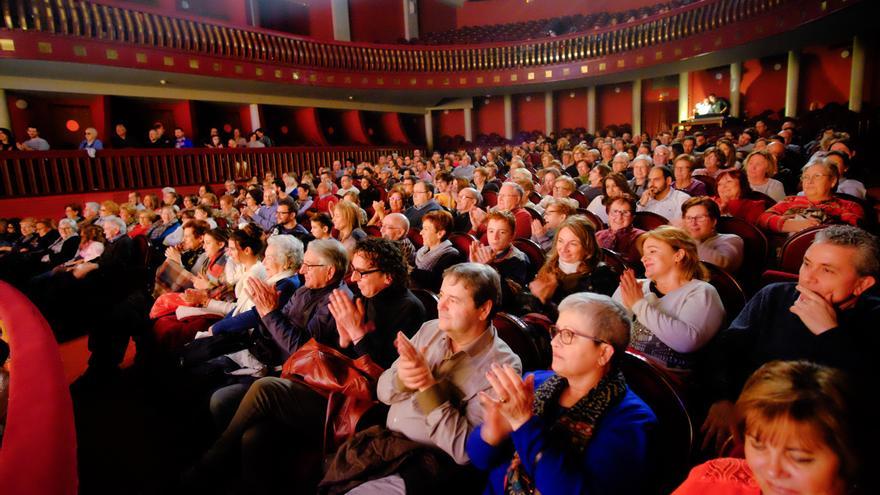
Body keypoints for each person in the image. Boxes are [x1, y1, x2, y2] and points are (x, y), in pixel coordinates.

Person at [320, 263, 522, 494]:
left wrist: (427, 387)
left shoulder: (502, 365)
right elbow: (383, 393)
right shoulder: (431, 330)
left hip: (427, 466)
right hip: (386, 445)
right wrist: (402, 380)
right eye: (442, 295)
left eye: (453, 300)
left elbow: (465, 451)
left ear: (484, 309)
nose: (441, 305)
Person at [700, 225, 880, 453]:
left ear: (862, 284)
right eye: (807, 263)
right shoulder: (775, 295)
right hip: (750, 419)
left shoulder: (873, 318)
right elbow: (723, 351)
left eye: (827, 270)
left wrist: (829, 333)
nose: (808, 278)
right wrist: (721, 399)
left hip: (822, 442)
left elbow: (866, 397)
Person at [468, 292, 657, 495]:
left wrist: (524, 424)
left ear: (603, 353)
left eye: (568, 335)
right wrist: (491, 434)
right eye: (556, 331)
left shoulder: (631, 421)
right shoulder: (536, 382)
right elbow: (479, 460)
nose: (553, 342)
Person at [676, 361, 865, 495]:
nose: (773, 471)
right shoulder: (712, 482)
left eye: (799, 458)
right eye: (758, 446)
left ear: (849, 460)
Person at [614, 226, 725, 373]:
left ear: (678, 255)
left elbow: (686, 342)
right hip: (625, 370)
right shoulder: (636, 286)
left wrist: (638, 305)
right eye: (644, 253)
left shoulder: (702, 292)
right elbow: (608, 333)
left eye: (652, 251)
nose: (643, 258)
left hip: (667, 384)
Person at [527, 216, 618, 318]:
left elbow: (586, 321)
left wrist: (545, 300)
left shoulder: (601, 276)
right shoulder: (551, 265)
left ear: (587, 247)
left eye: (573, 244)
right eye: (561, 241)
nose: (564, 249)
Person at [757, 159, 864, 234]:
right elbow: (763, 219)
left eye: (817, 176)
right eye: (806, 177)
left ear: (833, 181)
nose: (810, 181)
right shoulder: (790, 200)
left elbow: (856, 233)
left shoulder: (850, 206)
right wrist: (791, 224)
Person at [681, 197, 744, 273]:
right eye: (688, 218)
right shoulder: (681, 241)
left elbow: (722, 265)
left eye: (700, 217)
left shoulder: (732, 240)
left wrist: (689, 240)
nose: (693, 223)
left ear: (713, 221)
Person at [412, 210, 461, 292]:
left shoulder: (451, 256)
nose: (421, 233)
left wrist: (409, 270)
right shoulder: (424, 249)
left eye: (426, 229)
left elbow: (435, 281)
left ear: (440, 234)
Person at [596, 195, 647, 266]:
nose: (619, 217)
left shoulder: (641, 238)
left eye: (625, 212)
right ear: (608, 214)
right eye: (615, 211)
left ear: (632, 217)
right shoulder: (598, 235)